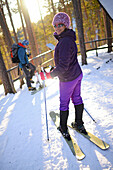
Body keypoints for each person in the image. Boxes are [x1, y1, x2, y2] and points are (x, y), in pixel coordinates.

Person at [40, 12, 87, 140]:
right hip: (76, 74)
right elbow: (66, 61)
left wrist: (49, 75)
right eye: (55, 25)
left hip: (68, 78)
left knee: (64, 103)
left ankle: (63, 128)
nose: (57, 27)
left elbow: (64, 66)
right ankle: (79, 124)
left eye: (60, 24)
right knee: (77, 98)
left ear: (66, 25)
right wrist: (55, 69)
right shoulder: (68, 38)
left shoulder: (65, 41)